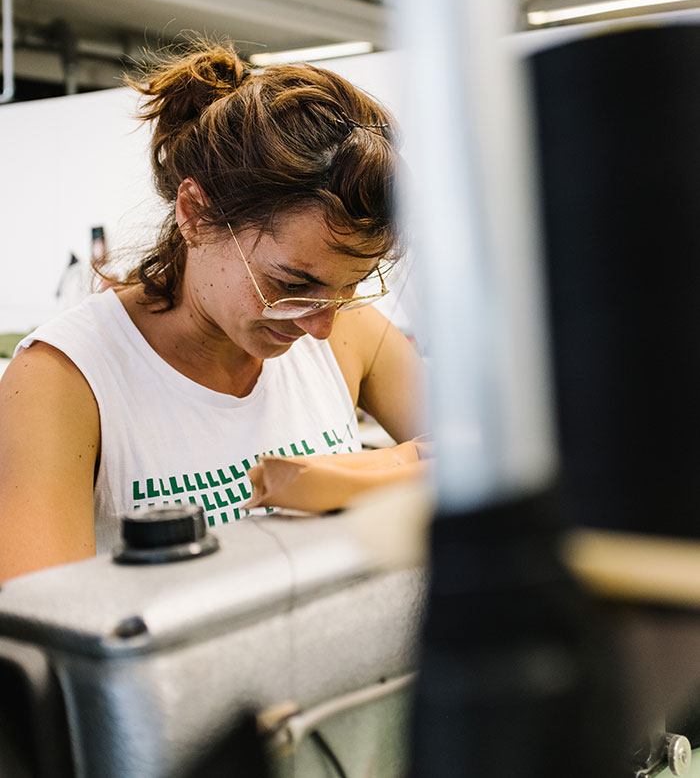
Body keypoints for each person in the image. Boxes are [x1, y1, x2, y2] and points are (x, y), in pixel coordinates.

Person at [0, 39, 425, 582]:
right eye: (292, 283)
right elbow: (50, 633)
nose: (320, 326)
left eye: (350, 288)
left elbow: (483, 464)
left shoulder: (349, 330)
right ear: (195, 213)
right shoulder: (63, 381)